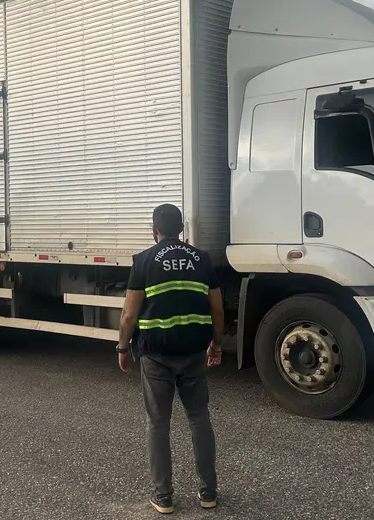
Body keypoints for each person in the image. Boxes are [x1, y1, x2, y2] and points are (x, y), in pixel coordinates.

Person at [117, 203, 225, 514]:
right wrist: (216, 345)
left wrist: (123, 349)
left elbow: (129, 314)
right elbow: (217, 310)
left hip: (156, 355)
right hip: (193, 353)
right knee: (199, 420)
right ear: (182, 229)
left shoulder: (144, 261)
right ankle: (209, 493)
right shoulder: (202, 260)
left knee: (158, 425)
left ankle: (163, 497)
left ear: (155, 230)